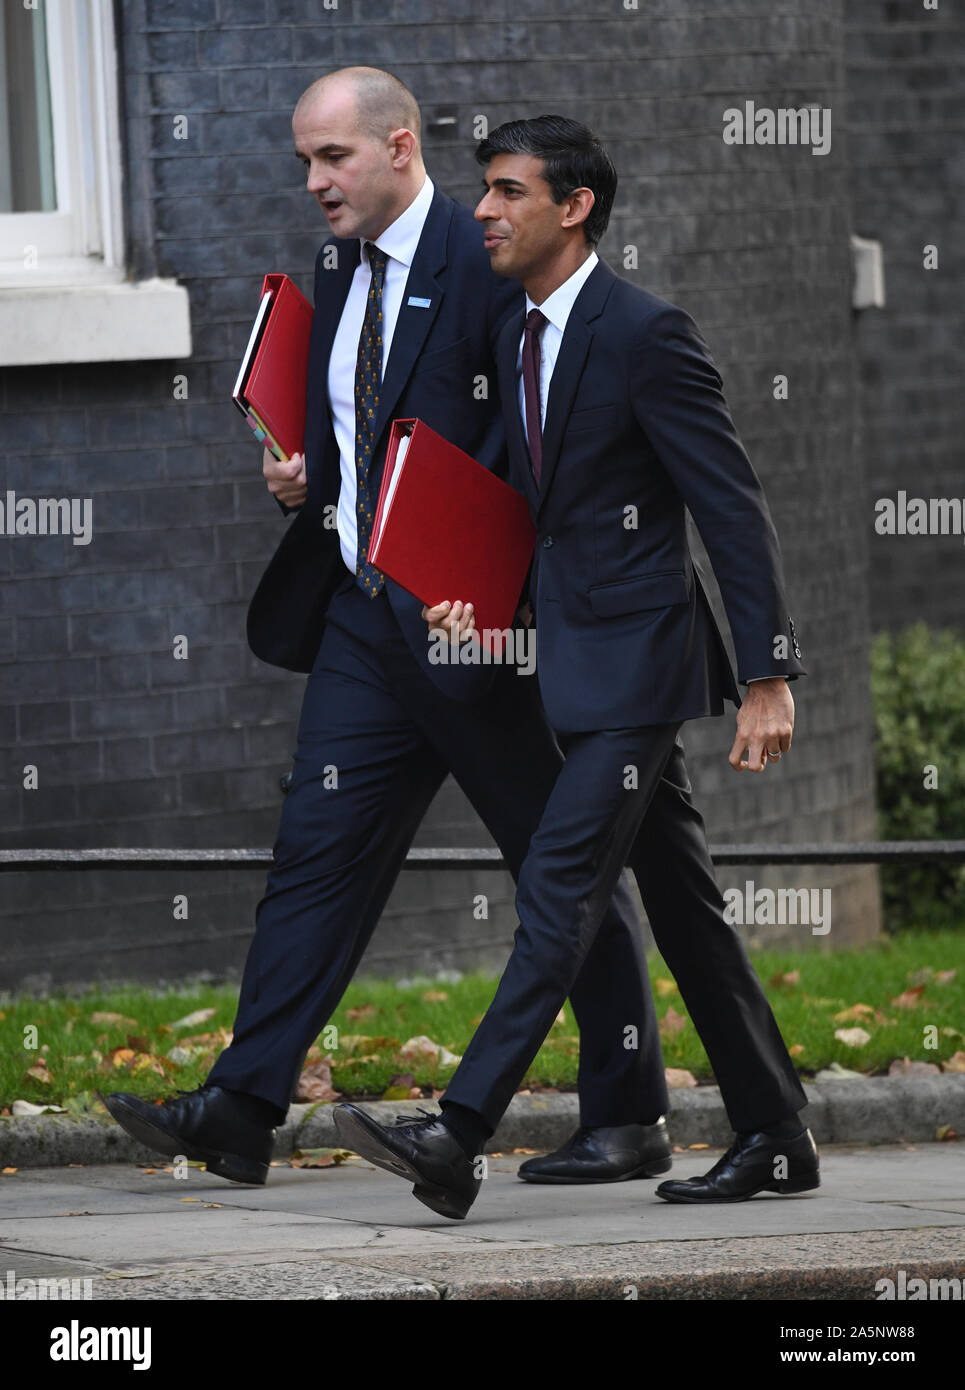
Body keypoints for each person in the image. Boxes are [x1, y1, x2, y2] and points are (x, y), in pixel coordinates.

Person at [104, 73, 680, 1189]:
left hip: (475, 630)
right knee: (313, 860)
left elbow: (539, 434)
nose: (314, 183)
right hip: (365, 617)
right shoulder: (337, 262)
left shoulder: (489, 260)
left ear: (400, 146)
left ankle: (626, 1112)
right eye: (303, 163)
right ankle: (241, 1102)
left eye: (332, 159)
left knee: (557, 874)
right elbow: (369, 426)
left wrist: (508, 598)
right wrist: (309, 474)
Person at [334, 115, 819, 1220]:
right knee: (687, 907)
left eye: (507, 192)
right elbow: (525, 504)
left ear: (575, 207)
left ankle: (455, 1134)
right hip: (567, 663)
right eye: (484, 193)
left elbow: (729, 509)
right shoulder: (514, 333)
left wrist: (767, 671)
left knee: (557, 886)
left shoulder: (645, 332)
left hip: (639, 668)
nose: (485, 213)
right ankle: (776, 1135)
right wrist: (478, 590)